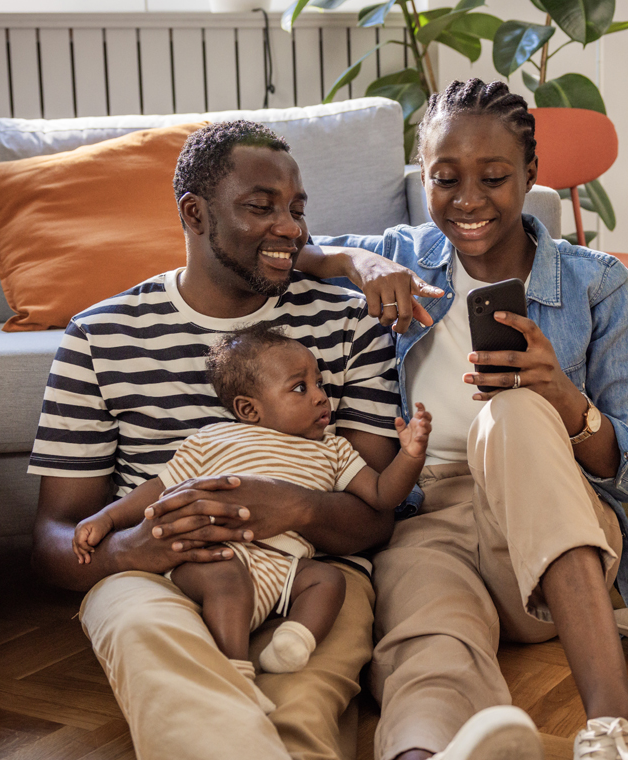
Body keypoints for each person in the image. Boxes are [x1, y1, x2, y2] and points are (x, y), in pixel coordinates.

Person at [298, 78, 628, 760]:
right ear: (422, 178)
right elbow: (291, 252)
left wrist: (565, 400)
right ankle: (426, 753)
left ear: (530, 176)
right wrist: (357, 259)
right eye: (445, 178)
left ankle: (616, 726)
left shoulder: (596, 282)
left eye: (493, 177)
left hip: (553, 550)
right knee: (427, 647)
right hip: (427, 519)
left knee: (516, 410)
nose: (467, 200)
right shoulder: (402, 255)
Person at [28, 119, 404, 760]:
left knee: (298, 712)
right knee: (187, 693)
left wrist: (292, 507)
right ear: (195, 214)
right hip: (155, 578)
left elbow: (375, 518)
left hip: (308, 576)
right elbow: (55, 537)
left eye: (297, 208)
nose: (290, 227)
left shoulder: (347, 322)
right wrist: (132, 550)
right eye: (261, 207)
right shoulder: (100, 337)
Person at [70, 324, 432, 698]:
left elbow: (381, 495)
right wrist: (108, 517)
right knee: (228, 582)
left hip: (286, 565)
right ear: (248, 409)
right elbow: (158, 487)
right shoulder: (214, 439)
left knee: (329, 581)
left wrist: (410, 456)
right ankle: (234, 669)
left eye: (319, 384)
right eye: (299, 388)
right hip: (216, 555)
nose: (321, 398)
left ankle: (294, 641)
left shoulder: (334, 450)